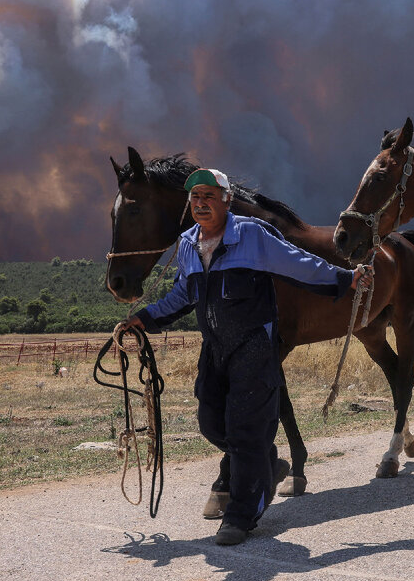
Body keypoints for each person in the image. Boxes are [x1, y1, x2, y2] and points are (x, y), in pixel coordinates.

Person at [122, 167, 367, 546]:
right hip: (215, 348)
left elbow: (298, 263)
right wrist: (145, 317)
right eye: (195, 197)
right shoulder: (188, 243)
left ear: (226, 200)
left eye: (208, 195)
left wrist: (344, 277)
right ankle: (264, 461)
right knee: (210, 423)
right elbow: (183, 296)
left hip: (254, 344)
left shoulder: (250, 235)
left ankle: (241, 516)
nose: (201, 203)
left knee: (245, 430)